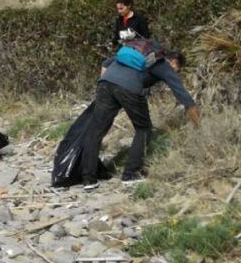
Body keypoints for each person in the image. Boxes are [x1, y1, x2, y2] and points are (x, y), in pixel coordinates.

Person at [80, 46, 199, 190]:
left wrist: (109, 89)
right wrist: (198, 126)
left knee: (96, 130)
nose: (176, 72)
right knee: (143, 128)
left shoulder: (142, 55)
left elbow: (106, 63)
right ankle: (130, 175)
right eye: (178, 70)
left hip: (105, 83)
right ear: (174, 62)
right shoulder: (164, 65)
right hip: (129, 87)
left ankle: (88, 179)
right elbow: (183, 96)